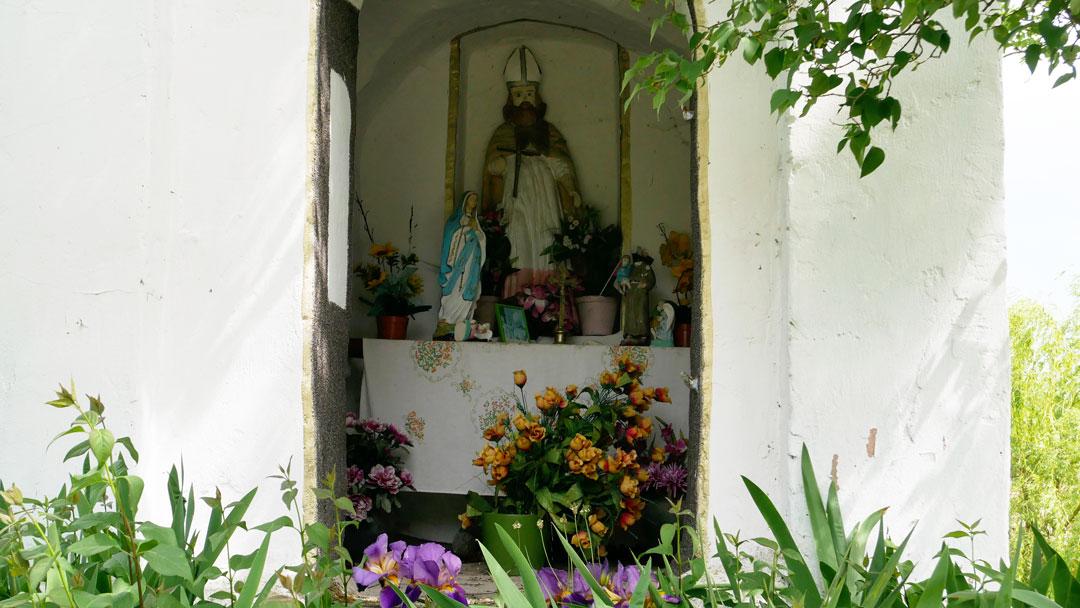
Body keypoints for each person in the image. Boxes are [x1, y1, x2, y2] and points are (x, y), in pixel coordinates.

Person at [481, 46, 582, 298]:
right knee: (517, 237)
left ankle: (549, 299)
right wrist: (499, 164)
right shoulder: (502, 134)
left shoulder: (549, 133)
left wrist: (571, 189)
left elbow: (561, 164)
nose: (524, 100)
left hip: (545, 198)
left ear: (536, 97)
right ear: (510, 99)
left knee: (548, 238)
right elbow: (492, 168)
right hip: (516, 197)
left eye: (529, 93)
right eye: (519, 95)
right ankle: (516, 297)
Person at [436, 192, 486, 338]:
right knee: (455, 287)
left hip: (472, 262)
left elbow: (482, 239)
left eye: (476, 200)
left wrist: (476, 231)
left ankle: (463, 320)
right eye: (471, 199)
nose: (474, 202)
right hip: (457, 262)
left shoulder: (475, 222)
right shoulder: (454, 221)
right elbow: (451, 237)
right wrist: (465, 229)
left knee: (468, 287)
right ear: (465, 201)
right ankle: (448, 319)